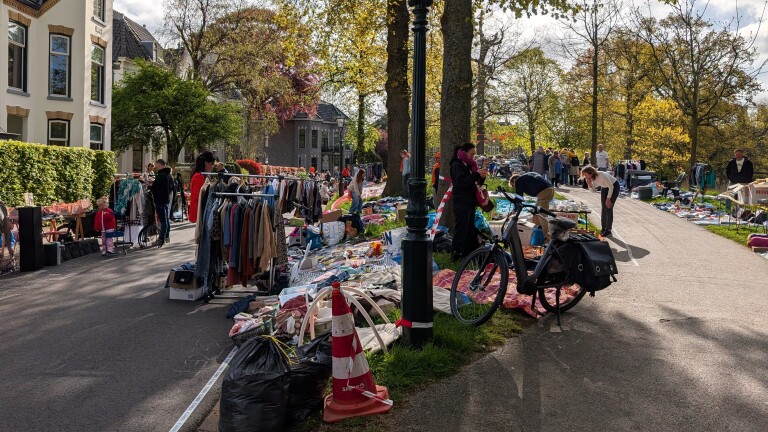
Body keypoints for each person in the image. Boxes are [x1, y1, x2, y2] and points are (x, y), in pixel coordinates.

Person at [450, 143, 488, 257]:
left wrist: (481, 176)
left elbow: (474, 182)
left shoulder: (470, 165)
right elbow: (462, 182)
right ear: (465, 153)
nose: (473, 156)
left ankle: (469, 251)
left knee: (469, 227)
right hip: (461, 201)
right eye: (472, 154)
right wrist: (476, 174)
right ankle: (457, 252)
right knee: (461, 227)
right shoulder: (457, 165)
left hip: (470, 201)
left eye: (474, 154)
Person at [509, 172, 555, 239]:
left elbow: (519, 198)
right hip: (549, 190)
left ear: (513, 181)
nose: (515, 187)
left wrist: (514, 210)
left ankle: (548, 240)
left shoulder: (518, 181)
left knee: (542, 216)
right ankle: (536, 236)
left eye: (513, 186)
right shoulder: (527, 175)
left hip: (544, 193)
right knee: (535, 213)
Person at [582, 166, 619, 237]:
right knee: (603, 208)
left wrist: (608, 199)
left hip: (613, 186)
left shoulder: (602, 175)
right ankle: (603, 228)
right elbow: (593, 191)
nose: (585, 177)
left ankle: (608, 230)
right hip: (604, 187)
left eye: (586, 175)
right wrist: (589, 184)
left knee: (608, 207)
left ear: (591, 173)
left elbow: (611, 187)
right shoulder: (591, 178)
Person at [151, 159, 175, 245]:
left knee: (163, 220)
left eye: (157, 166)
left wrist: (150, 186)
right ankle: (166, 236)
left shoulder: (161, 175)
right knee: (166, 219)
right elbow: (171, 188)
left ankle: (161, 239)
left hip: (160, 200)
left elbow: (155, 188)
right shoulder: (169, 175)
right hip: (166, 200)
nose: (156, 168)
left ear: (160, 165)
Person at [189, 151, 215, 224]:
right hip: (199, 211)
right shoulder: (198, 176)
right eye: (211, 164)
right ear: (206, 163)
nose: (212, 167)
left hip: (200, 210)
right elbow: (198, 196)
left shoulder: (202, 175)